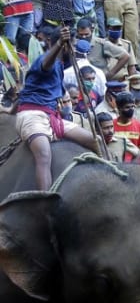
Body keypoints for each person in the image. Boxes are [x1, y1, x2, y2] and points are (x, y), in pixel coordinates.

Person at [15, 27, 98, 189]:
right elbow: (47, 65)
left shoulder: (60, 66)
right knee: (44, 155)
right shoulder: (45, 59)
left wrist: (9, 110)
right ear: (64, 46)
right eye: (72, 45)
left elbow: (25, 92)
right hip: (32, 116)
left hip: (53, 118)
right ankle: (45, 202)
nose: (74, 49)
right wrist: (60, 44)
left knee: (94, 140)